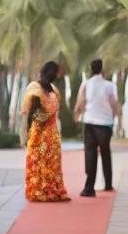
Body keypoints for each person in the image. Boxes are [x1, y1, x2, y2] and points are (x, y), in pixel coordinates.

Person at [22, 60, 70, 202]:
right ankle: (51, 191)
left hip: (43, 133)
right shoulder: (43, 89)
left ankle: (42, 191)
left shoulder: (41, 88)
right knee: (49, 162)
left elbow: (33, 114)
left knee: (43, 161)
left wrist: (30, 133)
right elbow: (34, 113)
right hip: (48, 134)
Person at [74, 59, 120, 197]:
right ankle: (108, 184)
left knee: (90, 154)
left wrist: (76, 115)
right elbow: (114, 104)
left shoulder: (86, 84)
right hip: (105, 124)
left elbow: (80, 103)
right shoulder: (110, 86)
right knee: (105, 153)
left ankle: (89, 188)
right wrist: (114, 118)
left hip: (90, 123)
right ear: (102, 69)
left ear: (90, 69)